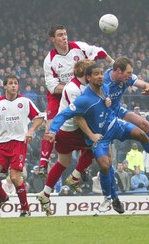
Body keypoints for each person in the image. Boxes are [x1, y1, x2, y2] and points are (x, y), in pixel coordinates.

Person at [44, 63, 149, 215]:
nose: (100, 76)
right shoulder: (80, 96)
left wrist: (108, 100)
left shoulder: (105, 87)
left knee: (141, 132)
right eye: (96, 74)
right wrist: (53, 130)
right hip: (95, 135)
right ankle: (109, 196)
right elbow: (68, 115)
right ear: (88, 77)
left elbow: (110, 93)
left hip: (112, 124)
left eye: (101, 73)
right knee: (105, 164)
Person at [38, 24, 114, 177]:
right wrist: (72, 86)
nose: (64, 37)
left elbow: (99, 51)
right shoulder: (50, 60)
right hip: (59, 94)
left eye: (65, 34)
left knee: (86, 126)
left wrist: (114, 63)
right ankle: (42, 164)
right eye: (60, 35)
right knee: (50, 125)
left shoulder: (79, 47)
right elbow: (52, 86)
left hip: (80, 91)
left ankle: (82, 168)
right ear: (53, 39)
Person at [36, 60, 99, 214]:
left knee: (63, 162)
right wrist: (91, 133)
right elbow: (78, 116)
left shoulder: (82, 85)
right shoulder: (73, 89)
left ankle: (45, 194)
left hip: (66, 131)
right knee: (96, 145)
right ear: (86, 73)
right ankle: (76, 177)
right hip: (70, 131)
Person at [0, 74, 43, 217]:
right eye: (11, 83)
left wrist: (31, 130)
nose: (14, 85)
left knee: (14, 177)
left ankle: (25, 209)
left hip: (19, 143)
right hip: (2, 144)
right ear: (5, 86)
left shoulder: (25, 101)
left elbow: (38, 117)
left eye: (16, 83)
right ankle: (2, 197)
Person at [101, 57, 149, 174]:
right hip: (104, 117)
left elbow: (145, 84)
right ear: (119, 71)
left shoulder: (127, 78)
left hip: (117, 110)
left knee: (145, 124)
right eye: (129, 73)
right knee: (107, 160)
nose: (131, 75)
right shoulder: (103, 81)